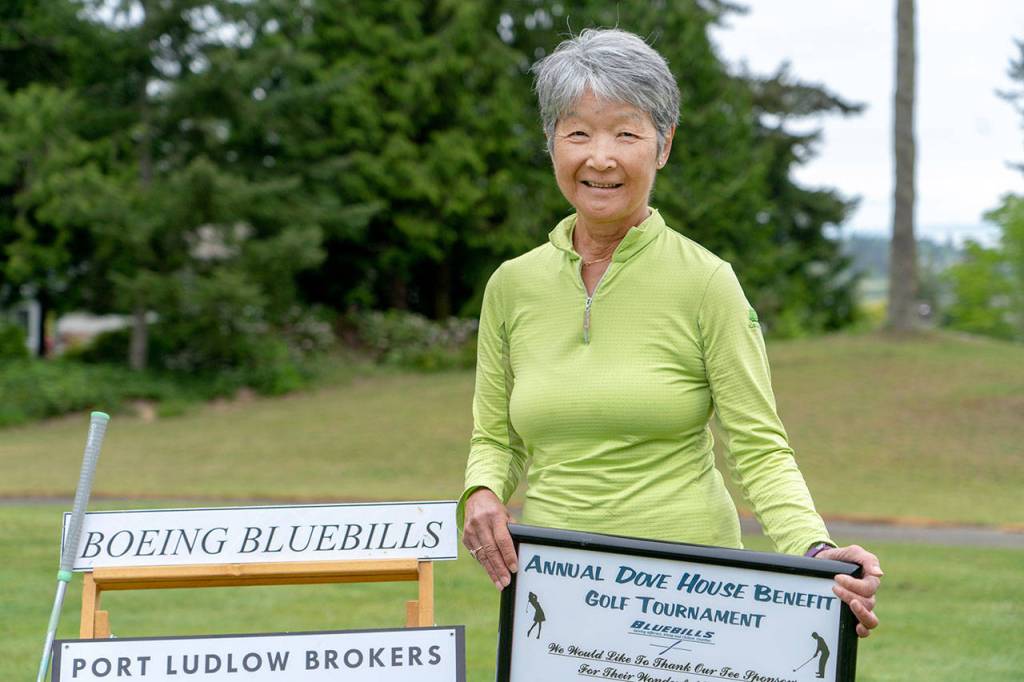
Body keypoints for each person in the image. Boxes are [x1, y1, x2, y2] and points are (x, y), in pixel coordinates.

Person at [460, 28, 881, 639]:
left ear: (663, 146)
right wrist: (481, 492)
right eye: (577, 132)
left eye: (626, 133)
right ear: (551, 144)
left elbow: (759, 448)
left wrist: (814, 552)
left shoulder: (708, 283)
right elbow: (494, 436)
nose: (599, 157)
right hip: (555, 593)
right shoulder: (511, 286)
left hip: (692, 597)